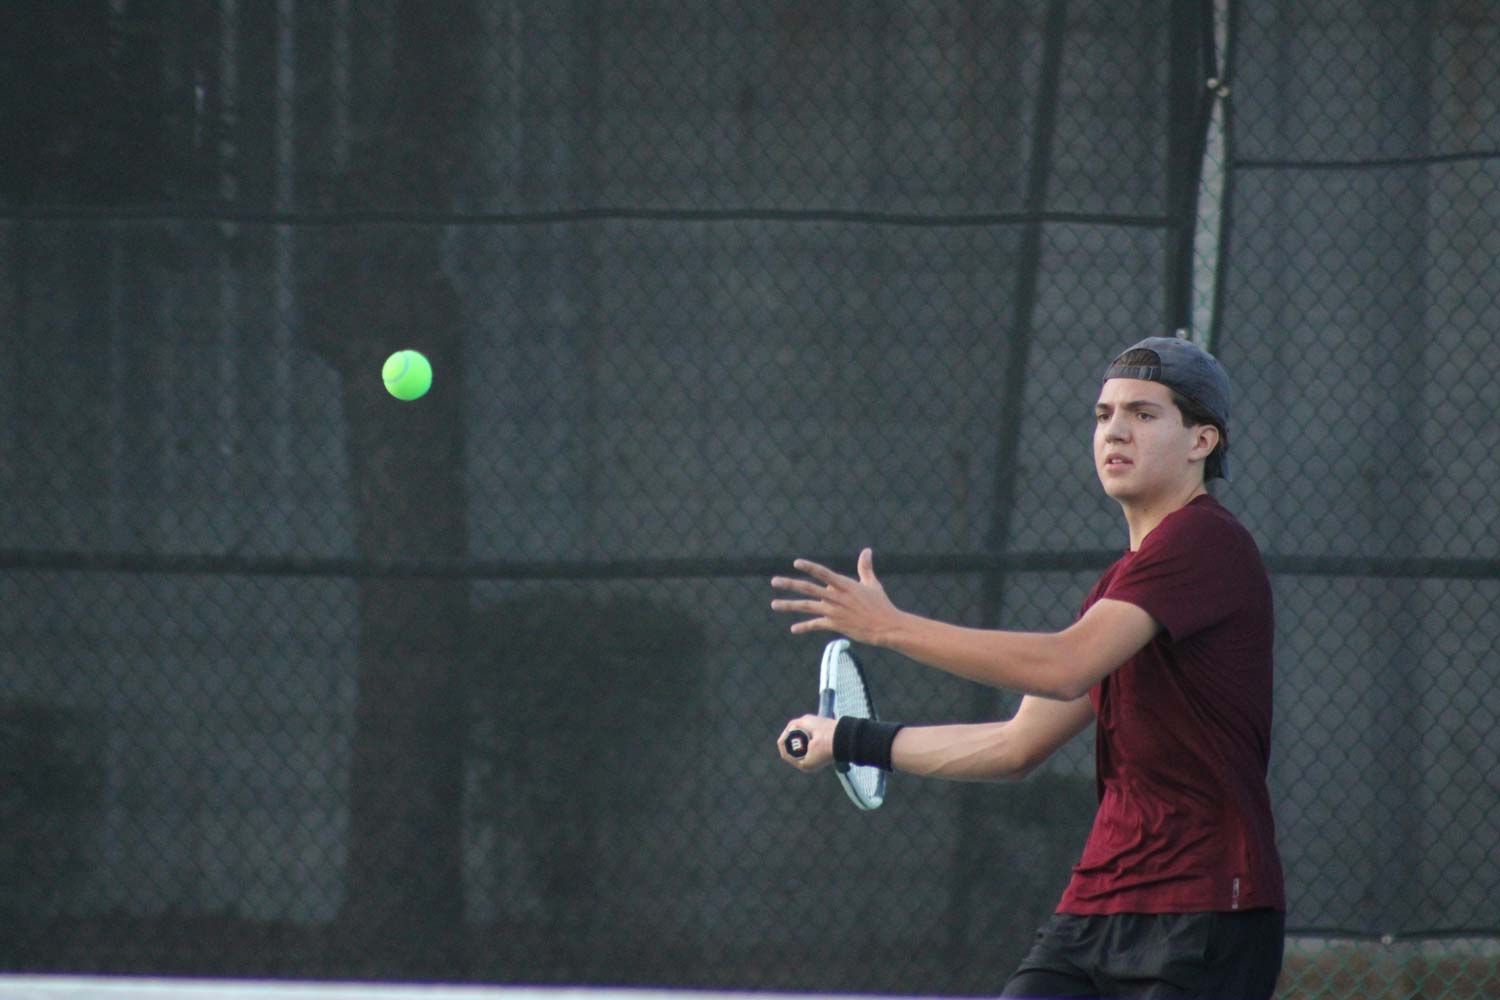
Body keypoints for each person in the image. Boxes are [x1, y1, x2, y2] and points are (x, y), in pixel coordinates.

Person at [772, 336, 1285, 1000]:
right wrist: (847, 739)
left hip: (1211, 908)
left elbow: (1066, 666)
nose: (1115, 431)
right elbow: (1014, 744)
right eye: (1103, 415)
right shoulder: (1117, 589)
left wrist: (890, 627)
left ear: (1201, 441)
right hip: (1099, 905)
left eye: (1144, 414)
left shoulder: (1205, 543)